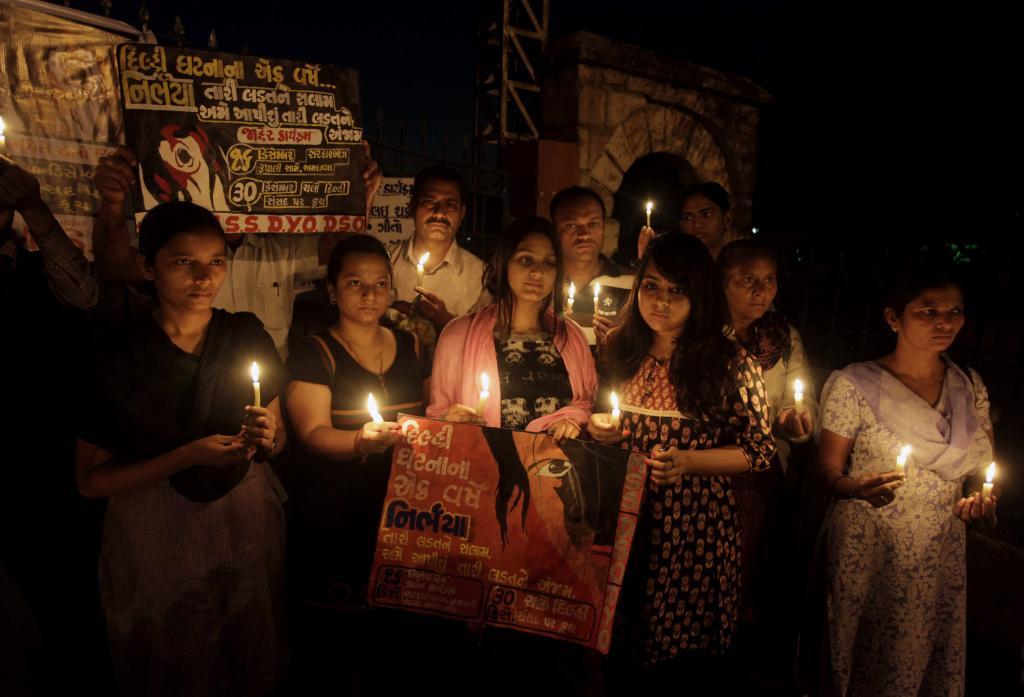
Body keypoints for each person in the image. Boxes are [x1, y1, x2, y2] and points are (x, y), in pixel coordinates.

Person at [75, 202, 288, 696]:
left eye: (215, 261)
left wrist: (267, 437)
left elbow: (277, 440)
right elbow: (90, 481)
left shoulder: (243, 333)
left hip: (245, 524)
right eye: (182, 262)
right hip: (157, 535)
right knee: (174, 660)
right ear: (148, 266)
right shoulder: (117, 354)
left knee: (251, 647)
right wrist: (185, 457)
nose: (203, 277)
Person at [588, 233, 775, 686]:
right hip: (624, 520)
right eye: (651, 286)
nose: (661, 302)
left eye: (678, 291)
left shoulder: (729, 363)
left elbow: (759, 451)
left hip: (694, 526)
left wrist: (690, 462)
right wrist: (601, 430)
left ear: (700, 295)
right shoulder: (618, 350)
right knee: (619, 647)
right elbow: (601, 422)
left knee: (681, 664)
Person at [812, 266, 996, 697]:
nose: (945, 322)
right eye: (928, 311)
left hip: (938, 548)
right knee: (863, 652)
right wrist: (852, 488)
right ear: (894, 318)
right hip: (869, 543)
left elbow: (984, 470)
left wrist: (980, 500)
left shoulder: (968, 386)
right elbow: (825, 471)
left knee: (917, 656)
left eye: (955, 311)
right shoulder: (854, 385)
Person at [284, 234, 432, 693]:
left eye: (379, 284)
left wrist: (453, 419)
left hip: (404, 509)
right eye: (355, 283)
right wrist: (360, 443)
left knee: (398, 635)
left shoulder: (412, 345)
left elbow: (432, 413)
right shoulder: (315, 352)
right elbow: (311, 435)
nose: (370, 295)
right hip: (339, 511)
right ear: (332, 291)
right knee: (342, 639)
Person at [91, 144, 382, 357]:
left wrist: (356, 195)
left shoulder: (279, 250)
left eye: (216, 262)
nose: (204, 277)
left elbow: (341, 251)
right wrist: (113, 201)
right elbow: (115, 267)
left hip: (267, 401)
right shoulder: (170, 247)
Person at [717, 239, 816, 678]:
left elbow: (802, 394)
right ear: (722, 283)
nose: (761, 291)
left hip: (761, 470)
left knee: (754, 560)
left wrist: (799, 419)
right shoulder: (701, 333)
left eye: (769, 281)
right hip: (709, 465)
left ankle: (739, 642)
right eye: (747, 281)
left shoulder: (783, 337)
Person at [428, 216, 595, 442]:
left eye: (549, 263)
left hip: (556, 470)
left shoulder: (571, 336)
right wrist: (450, 419)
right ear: (503, 262)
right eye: (526, 260)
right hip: (486, 469)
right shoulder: (457, 336)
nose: (538, 272)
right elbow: (436, 418)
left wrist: (573, 420)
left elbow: (586, 406)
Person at [387, 165, 488, 355]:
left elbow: (484, 341)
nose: (439, 213)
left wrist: (447, 322)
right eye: (429, 202)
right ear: (412, 207)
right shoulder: (385, 263)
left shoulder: (480, 276)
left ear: (462, 213)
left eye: (450, 205)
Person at [550, 185, 633, 347]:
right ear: (554, 229)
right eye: (571, 225)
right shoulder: (541, 284)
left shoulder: (630, 283)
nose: (584, 235)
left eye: (593, 224)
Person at [637, 181, 734, 260]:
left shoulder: (738, 270)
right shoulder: (674, 273)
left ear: (726, 220)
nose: (697, 224)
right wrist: (651, 257)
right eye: (688, 218)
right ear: (681, 225)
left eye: (706, 214)